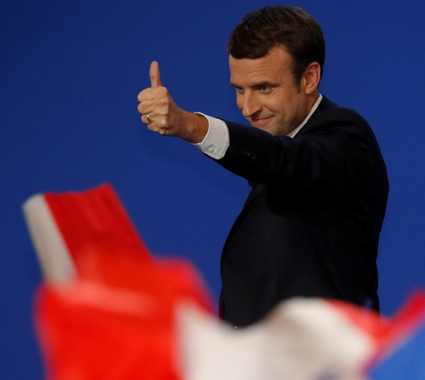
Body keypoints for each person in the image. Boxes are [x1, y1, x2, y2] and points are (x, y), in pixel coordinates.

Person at [137, 6, 389, 327]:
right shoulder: (282, 148)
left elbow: (282, 160)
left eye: (264, 88)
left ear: (309, 77)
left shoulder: (347, 138)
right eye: (239, 89)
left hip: (323, 357)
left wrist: (190, 125)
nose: (248, 108)